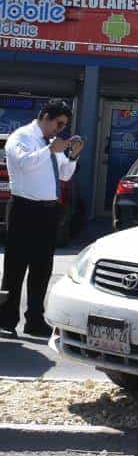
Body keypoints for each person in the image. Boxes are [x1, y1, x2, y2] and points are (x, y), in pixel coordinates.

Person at [0, 99, 84, 339]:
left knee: (42, 268)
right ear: (45, 116)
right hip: (24, 209)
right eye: (58, 123)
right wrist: (49, 150)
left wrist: (73, 156)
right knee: (16, 267)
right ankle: (6, 319)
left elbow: (65, 175)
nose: (60, 129)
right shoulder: (22, 136)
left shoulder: (51, 143)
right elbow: (23, 164)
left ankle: (35, 320)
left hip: (48, 211)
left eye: (64, 126)